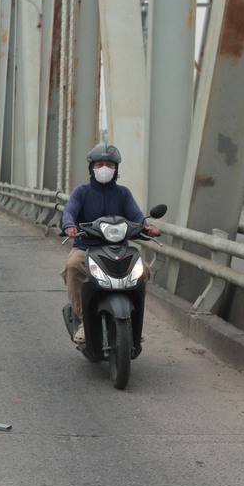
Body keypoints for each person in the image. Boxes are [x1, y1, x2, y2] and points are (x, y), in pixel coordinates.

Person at [60, 143, 160, 344]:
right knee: (73, 266)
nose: (104, 168)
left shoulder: (123, 193)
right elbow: (69, 211)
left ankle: (133, 321)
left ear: (116, 169)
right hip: (86, 247)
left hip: (119, 247)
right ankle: (83, 321)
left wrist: (147, 227)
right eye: (99, 164)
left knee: (144, 270)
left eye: (109, 165)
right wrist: (69, 225)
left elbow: (136, 215)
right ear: (91, 168)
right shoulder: (81, 192)